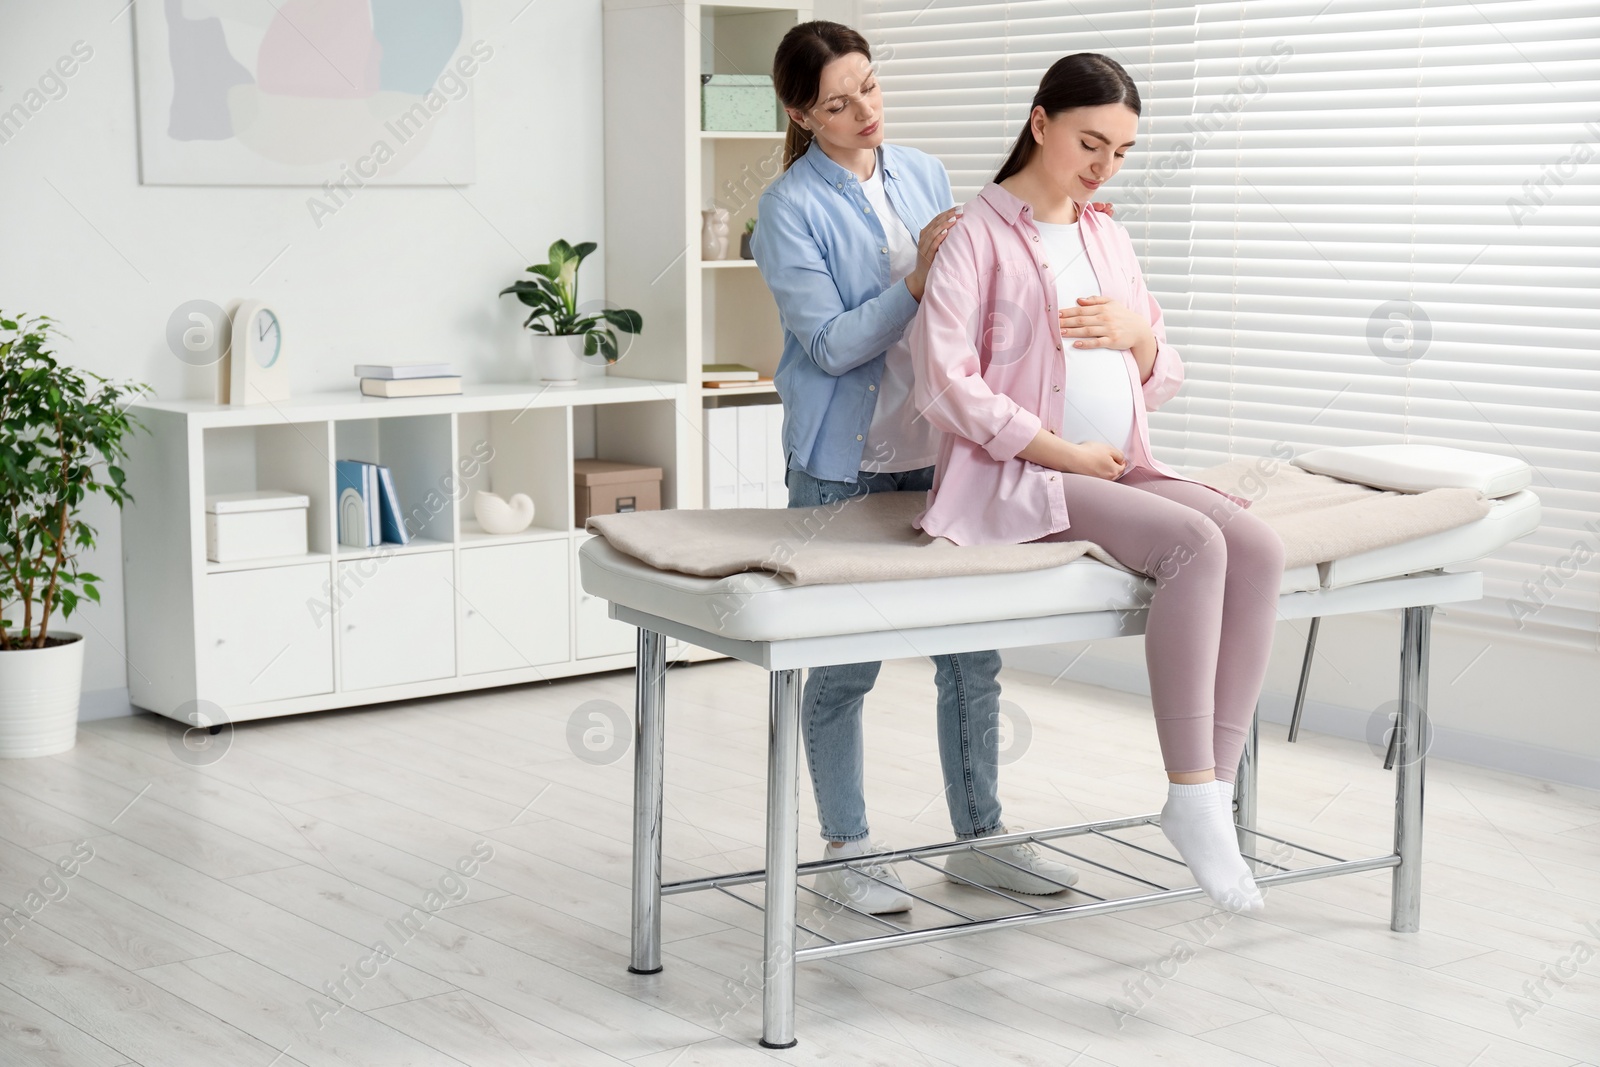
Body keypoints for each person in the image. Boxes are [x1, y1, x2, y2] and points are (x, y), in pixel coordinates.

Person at [906, 52, 1286, 914]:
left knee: (1255, 544)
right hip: (1020, 477)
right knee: (1192, 545)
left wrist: (1138, 340)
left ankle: (1208, 797)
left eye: (1121, 150)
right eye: (1090, 141)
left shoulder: (1106, 234)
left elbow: (1162, 366)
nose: (1104, 165)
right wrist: (1056, 449)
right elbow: (943, 382)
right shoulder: (976, 236)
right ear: (1040, 122)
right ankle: (1189, 785)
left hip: (1121, 463)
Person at [750, 22, 1114, 913]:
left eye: (869, 87)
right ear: (802, 112)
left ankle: (981, 838)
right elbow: (831, 346)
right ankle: (846, 849)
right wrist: (915, 279)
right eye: (837, 103)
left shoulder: (924, 172)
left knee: (971, 653)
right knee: (845, 668)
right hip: (844, 463)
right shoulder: (787, 207)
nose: (863, 111)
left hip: (941, 453)